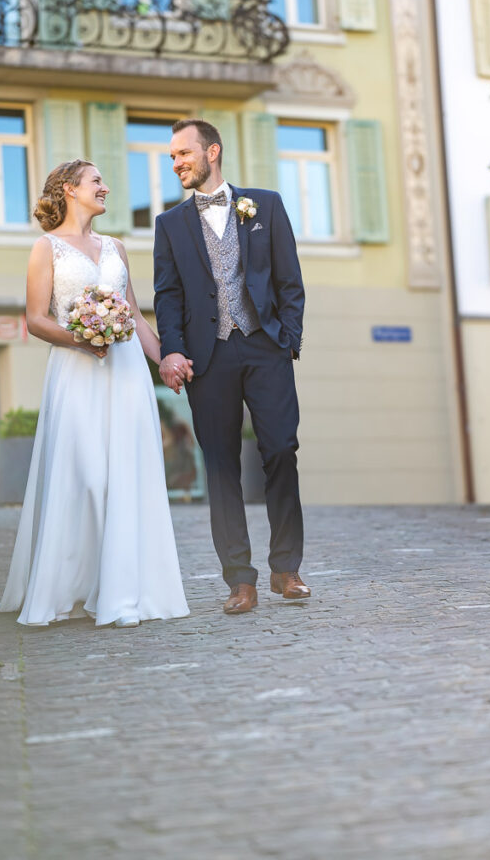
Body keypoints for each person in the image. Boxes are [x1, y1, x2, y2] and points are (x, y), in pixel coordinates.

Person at [0, 160, 188, 627]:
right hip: (76, 374)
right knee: (88, 477)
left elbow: (135, 315)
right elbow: (36, 318)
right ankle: (71, 585)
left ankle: (122, 593)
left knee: (125, 477)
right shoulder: (46, 248)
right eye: (97, 181)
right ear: (69, 189)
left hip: (126, 374)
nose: (106, 188)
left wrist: (167, 361)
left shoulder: (115, 247)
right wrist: (83, 339)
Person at [153, 119, 309, 615]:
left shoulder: (265, 204)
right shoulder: (169, 224)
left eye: (184, 152)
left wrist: (289, 339)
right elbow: (167, 296)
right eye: (172, 156)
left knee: (281, 450)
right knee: (220, 466)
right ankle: (239, 580)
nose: (177, 162)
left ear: (212, 151)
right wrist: (173, 350)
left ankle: (286, 569)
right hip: (208, 356)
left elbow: (290, 279)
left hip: (266, 346)